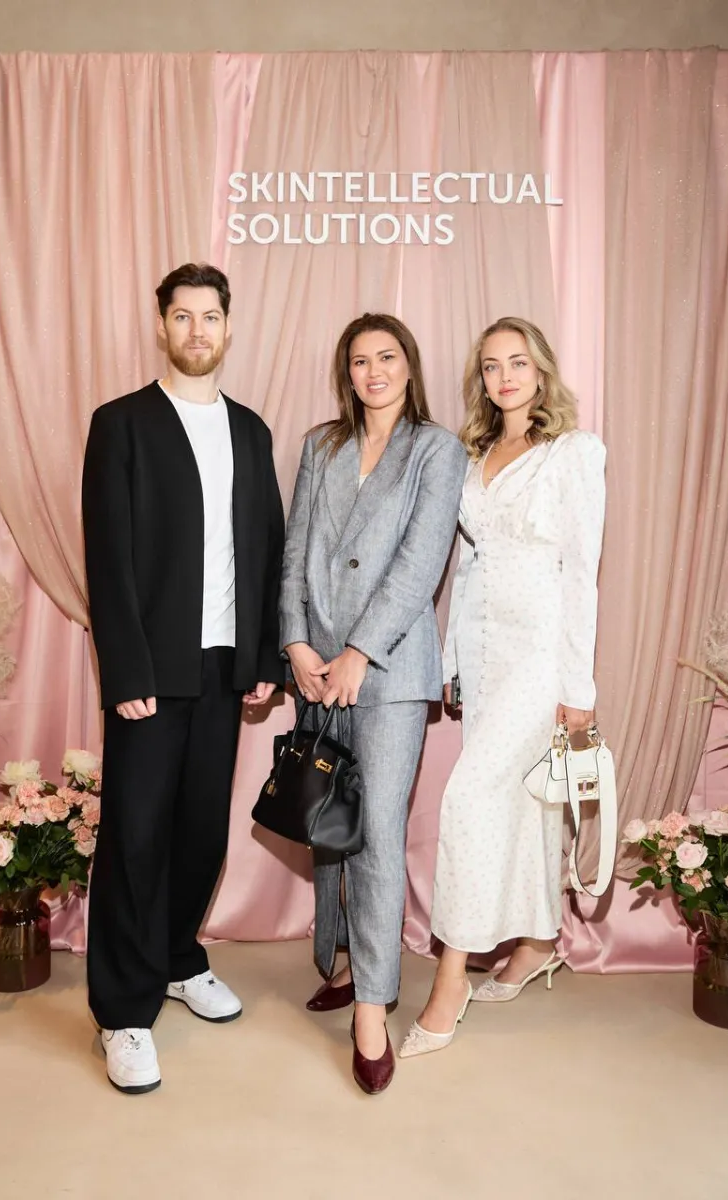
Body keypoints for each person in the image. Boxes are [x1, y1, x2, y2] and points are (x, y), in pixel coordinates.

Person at [82, 262, 285, 1093]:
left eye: (210, 317)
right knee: (135, 834)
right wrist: (126, 667)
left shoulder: (251, 431)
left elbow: (267, 551)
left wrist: (264, 658)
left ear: (229, 328)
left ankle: (176, 958)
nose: (197, 330)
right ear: (161, 326)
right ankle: (122, 1011)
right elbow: (108, 556)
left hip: (224, 666)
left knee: (202, 830)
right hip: (152, 668)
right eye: (182, 317)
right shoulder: (121, 424)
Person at [400, 316, 606, 1059]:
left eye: (518, 362)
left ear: (541, 370)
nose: (505, 377)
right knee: (524, 805)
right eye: (491, 366)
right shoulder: (473, 455)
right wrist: (452, 660)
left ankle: (450, 977)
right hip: (485, 654)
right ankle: (539, 941)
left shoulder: (574, 453)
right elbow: (468, 567)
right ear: (481, 380)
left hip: (541, 655)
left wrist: (578, 686)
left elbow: (581, 575)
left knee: (469, 798)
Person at [280, 312, 466, 1094]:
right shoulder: (320, 447)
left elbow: (422, 563)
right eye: (360, 361)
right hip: (317, 669)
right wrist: (295, 643)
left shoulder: (437, 450)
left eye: (387, 357)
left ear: (409, 367)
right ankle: (344, 961)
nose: (374, 371)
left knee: (379, 833)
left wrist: (360, 652)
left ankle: (371, 1007)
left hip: (387, 672)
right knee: (328, 821)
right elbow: (293, 551)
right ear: (346, 373)